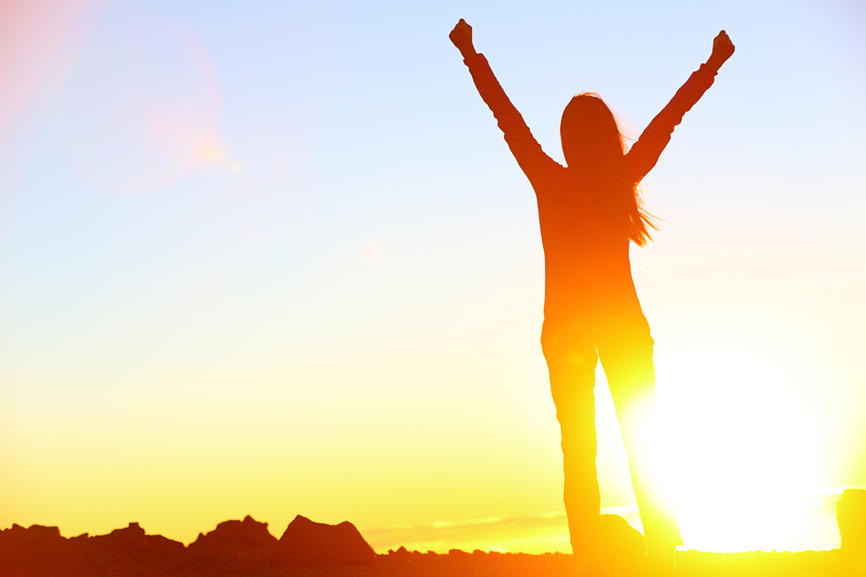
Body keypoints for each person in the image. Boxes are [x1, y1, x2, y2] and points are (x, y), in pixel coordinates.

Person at [450, 19, 734, 574]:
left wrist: (471, 53)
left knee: (580, 451)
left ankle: (591, 560)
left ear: (567, 140)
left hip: (568, 333)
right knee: (641, 438)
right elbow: (668, 119)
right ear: (607, 137)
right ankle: (663, 553)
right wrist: (713, 65)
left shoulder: (551, 180)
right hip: (616, 328)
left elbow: (505, 117)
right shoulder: (620, 176)